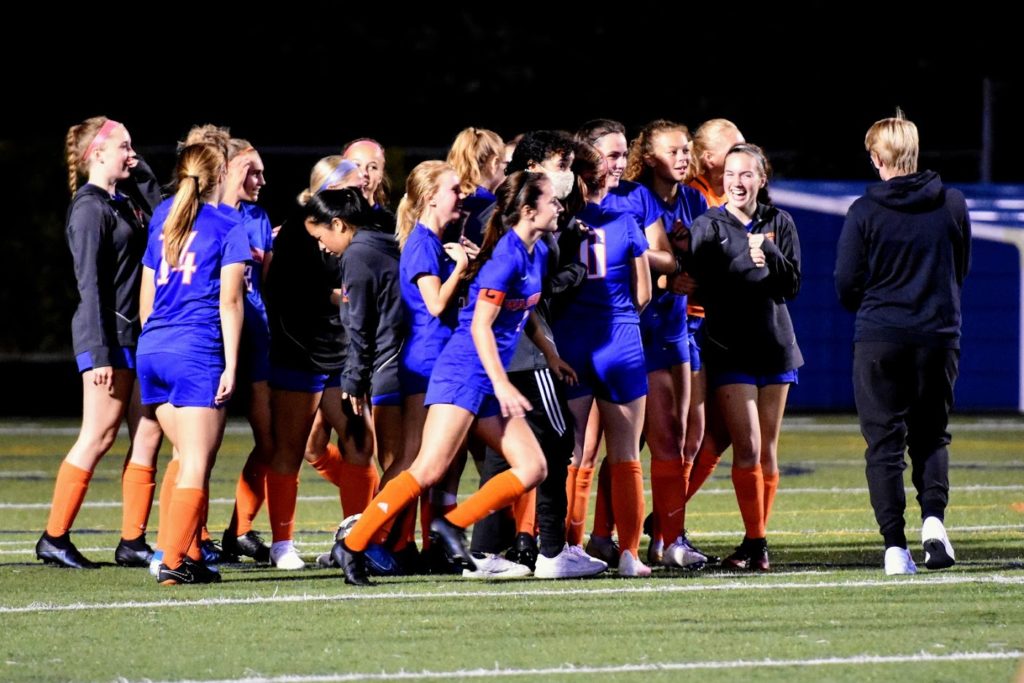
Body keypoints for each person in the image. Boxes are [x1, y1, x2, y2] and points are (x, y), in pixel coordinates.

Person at [332, 171, 583, 586]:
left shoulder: (535, 252)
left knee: (533, 467)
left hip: (484, 374)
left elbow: (526, 311)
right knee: (427, 467)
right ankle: (354, 543)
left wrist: (551, 355)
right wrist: (502, 384)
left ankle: (451, 527)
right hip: (466, 370)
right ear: (527, 210)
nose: (559, 206)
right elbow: (481, 326)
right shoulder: (506, 256)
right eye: (552, 201)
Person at [835, 112, 970, 575]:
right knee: (931, 436)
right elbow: (960, 268)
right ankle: (934, 523)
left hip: (880, 337)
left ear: (876, 157)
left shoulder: (865, 211)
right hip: (937, 336)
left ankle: (896, 548)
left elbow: (845, 283)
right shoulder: (951, 203)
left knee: (884, 445)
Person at [37, 116, 163, 569]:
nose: (133, 155)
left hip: (137, 336)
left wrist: (139, 166)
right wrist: (98, 351)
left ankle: (133, 540)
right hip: (108, 336)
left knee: (148, 432)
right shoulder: (89, 208)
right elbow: (88, 285)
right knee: (99, 435)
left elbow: (163, 215)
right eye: (125, 147)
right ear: (96, 154)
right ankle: (54, 537)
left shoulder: (124, 201)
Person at [136, 142, 249, 584]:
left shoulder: (164, 214)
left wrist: (156, 339)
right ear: (220, 173)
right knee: (197, 462)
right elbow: (231, 301)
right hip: (195, 350)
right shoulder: (227, 223)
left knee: (183, 456)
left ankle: (184, 552)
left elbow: (146, 295)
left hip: (153, 348)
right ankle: (173, 561)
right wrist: (232, 364)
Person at [687, 143, 802, 571]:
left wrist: (769, 254)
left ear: (761, 178)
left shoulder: (779, 221)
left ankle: (755, 544)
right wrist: (739, 261)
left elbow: (791, 286)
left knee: (768, 450)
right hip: (729, 346)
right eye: (731, 174)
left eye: (747, 174)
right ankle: (756, 543)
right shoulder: (708, 224)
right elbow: (699, 285)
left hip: (775, 344)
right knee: (748, 446)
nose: (737, 181)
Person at [552, 140, 653, 576]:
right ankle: (630, 553)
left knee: (574, 453)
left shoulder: (559, 222)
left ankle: (570, 546)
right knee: (626, 453)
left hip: (572, 341)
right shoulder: (626, 219)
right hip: (620, 340)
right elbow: (644, 290)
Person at [623, 119, 708, 568]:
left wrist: (688, 266)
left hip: (677, 326)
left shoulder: (693, 198)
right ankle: (613, 538)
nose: (682, 157)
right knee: (640, 440)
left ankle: (668, 537)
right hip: (642, 326)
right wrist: (669, 269)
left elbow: (703, 254)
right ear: (650, 156)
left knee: (680, 440)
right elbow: (634, 252)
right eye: (673, 150)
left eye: (686, 150)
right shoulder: (635, 196)